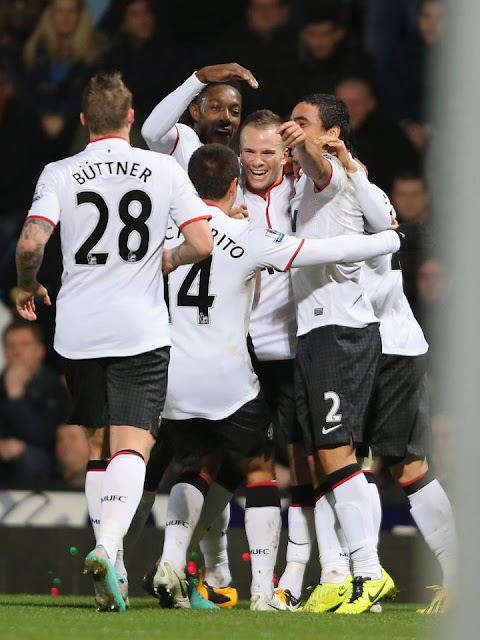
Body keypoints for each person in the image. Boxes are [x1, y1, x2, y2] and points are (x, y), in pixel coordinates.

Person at [153, 142, 405, 611]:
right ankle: (263, 591)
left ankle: (171, 558)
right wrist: (387, 240)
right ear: (234, 185)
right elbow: (325, 248)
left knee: (194, 466)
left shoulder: (163, 232)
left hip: (173, 381)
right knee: (260, 470)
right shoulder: (246, 235)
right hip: (229, 379)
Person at [14, 70, 214, 612]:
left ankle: (117, 573)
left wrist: (26, 282)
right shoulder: (161, 168)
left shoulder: (60, 170)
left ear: (82, 121)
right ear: (130, 118)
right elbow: (201, 241)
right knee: (134, 443)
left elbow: (32, 240)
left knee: (100, 442)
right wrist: (165, 258)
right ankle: (108, 546)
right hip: (139, 327)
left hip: (77, 330)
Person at [279, 93, 395, 614]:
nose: (292, 127)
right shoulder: (308, 180)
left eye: (303, 122)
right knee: (327, 460)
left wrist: (307, 149)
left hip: (339, 330)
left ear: (330, 136)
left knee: (336, 456)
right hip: (314, 331)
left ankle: (368, 573)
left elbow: (317, 165)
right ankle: (344, 576)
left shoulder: (331, 174)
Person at [22, 0, 106, 156]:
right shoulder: (35, 50)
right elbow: (28, 92)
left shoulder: (96, 53)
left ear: (80, 16)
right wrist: (44, 113)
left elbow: (92, 95)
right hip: (38, 123)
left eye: (71, 12)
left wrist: (64, 116)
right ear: (51, 15)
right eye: (60, 11)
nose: (65, 17)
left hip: (76, 124)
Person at [141, 62, 258, 167]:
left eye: (235, 112)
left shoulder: (239, 166)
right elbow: (150, 132)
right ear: (195, 112)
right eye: (216, 108)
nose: (226, 118)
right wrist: (200, 77)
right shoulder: (181, 139)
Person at [0, 320, 69, 486]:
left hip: (42, 463)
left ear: (40, 351)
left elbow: (45, 438)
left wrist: (16, 398)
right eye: (11, 346)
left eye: (24, 345)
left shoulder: (55, 387)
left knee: (31, 459)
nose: (17, 351)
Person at [335, 77, 419, 193]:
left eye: (355, 103)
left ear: (371, 104)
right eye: (343, 104)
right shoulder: (321, 134)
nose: (348, 110)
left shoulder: (391, 138)